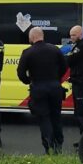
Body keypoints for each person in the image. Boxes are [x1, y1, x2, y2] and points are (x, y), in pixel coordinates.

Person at [17, 27, 68, 155]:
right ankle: (59, 145)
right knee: (56, 116)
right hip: (55, 88)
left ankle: (48, 146)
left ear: (32, 37)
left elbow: (21, 73)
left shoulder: (28, 52)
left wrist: (28, 81)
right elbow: (64, 66)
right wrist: (56, 78)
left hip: (38, 89)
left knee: (44, 118)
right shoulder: (55, 49)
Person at [66, 25, 83, 149]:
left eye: (74, 35)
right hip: (78, 83)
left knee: (82, 114)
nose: (71, 37)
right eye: (70, 35)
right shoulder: (78, 46)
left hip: (81, 84)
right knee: (78, 113)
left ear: (81, 35)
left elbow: (69, 60)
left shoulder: (82, 47)